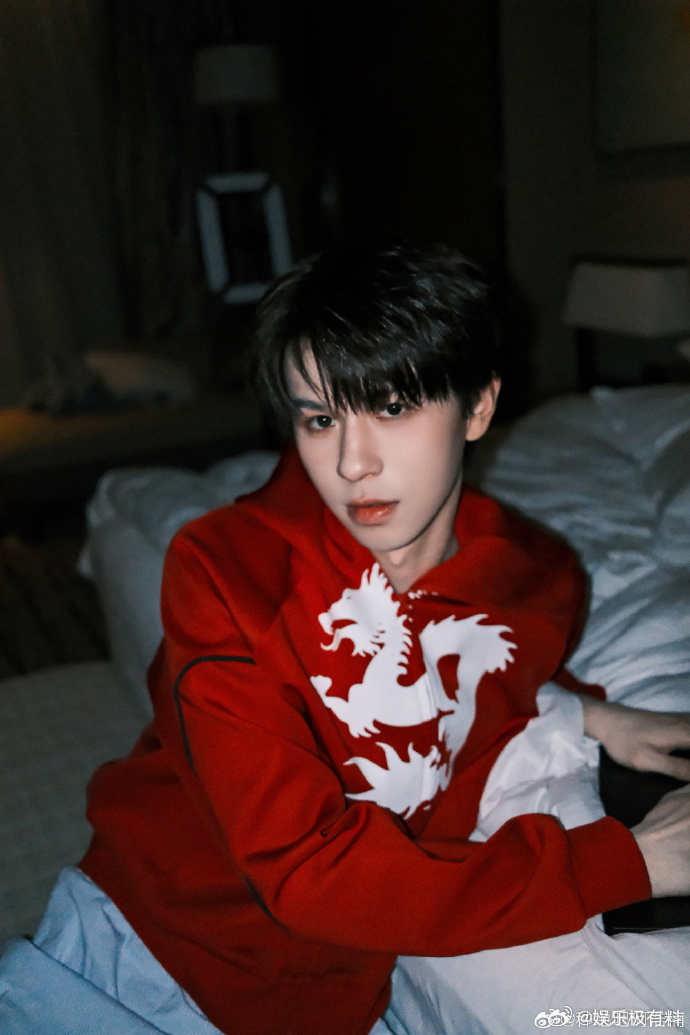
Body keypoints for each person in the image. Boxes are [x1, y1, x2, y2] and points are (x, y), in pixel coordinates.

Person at [30, 243, 690, 1035]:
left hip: (334, 1000)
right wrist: (627, 861)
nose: (352, 462)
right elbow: (308, 871)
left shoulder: (539, 575)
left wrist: (588, 712)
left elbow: (484, 662)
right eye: (320, 417)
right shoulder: (225, 571)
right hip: (146, 946)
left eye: (393, 406)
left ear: (479, 405)